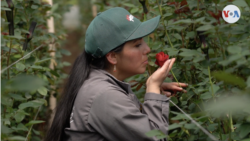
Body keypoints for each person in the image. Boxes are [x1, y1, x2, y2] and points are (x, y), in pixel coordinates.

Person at [45, 7, 188, 141]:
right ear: (112, 57)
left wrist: (156, 93)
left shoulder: (98, 84)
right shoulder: (104, 95)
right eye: (137, 45)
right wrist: (153, 87)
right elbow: (155, 138)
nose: (148, 49)